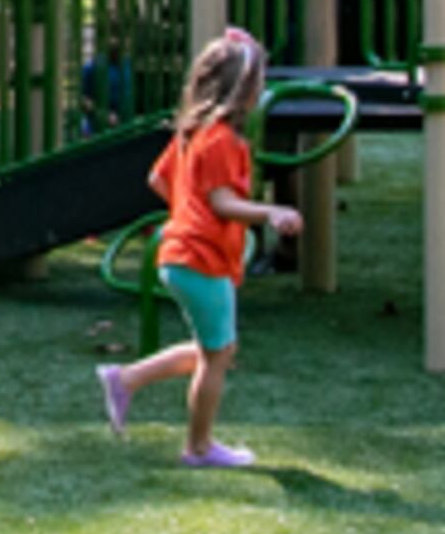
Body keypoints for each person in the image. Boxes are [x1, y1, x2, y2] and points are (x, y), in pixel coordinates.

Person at [96, 26, 300, 469]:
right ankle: (199, 447)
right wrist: (270, 213)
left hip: (182, 254)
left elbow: (158, 179)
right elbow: (223, 202)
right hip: (201, 258)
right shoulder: (223, 140)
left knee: (217, 350)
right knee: (216, 357)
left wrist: (187, 213)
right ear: (243, 90)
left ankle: (124, 379)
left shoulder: (192, 132)